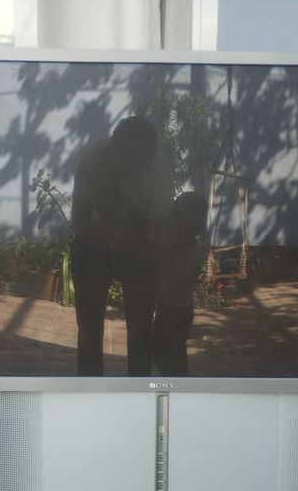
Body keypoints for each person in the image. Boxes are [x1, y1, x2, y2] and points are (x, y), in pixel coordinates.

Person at [71, 116, 173, 375]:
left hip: (138, 250)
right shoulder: (94, 158)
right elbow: (79, 222)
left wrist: (142, 244)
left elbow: (162, 237)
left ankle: (140, 390)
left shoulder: (160, 176)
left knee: (140, 331)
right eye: (127, 162)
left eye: (140, 164)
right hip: (93, 242)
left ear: (151, 157)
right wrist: (108, 240)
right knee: (89, 329)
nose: (133, 171)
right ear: (112, 148)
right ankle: (90, 388)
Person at [152, 191, 207, 376]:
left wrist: (166, 250)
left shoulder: (193, 254)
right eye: (177, 221)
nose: (179, 226)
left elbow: (175, 276)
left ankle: (178, 383)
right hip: (165, 308)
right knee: (160, 350)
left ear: (198, 227)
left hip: (179, 311)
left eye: (187, 222)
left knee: (174, 354)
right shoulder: (174, 246)